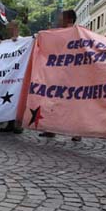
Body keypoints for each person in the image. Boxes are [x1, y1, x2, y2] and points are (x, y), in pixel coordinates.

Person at [40, 10, 79, 140]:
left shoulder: (77, 33)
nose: (59, 20)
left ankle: (77, 132)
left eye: (61, 18)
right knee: (54, 101)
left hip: (71, 74)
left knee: (73, 104)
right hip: (59, 73)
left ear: (68, 19)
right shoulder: (59, 33)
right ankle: (51, 128)